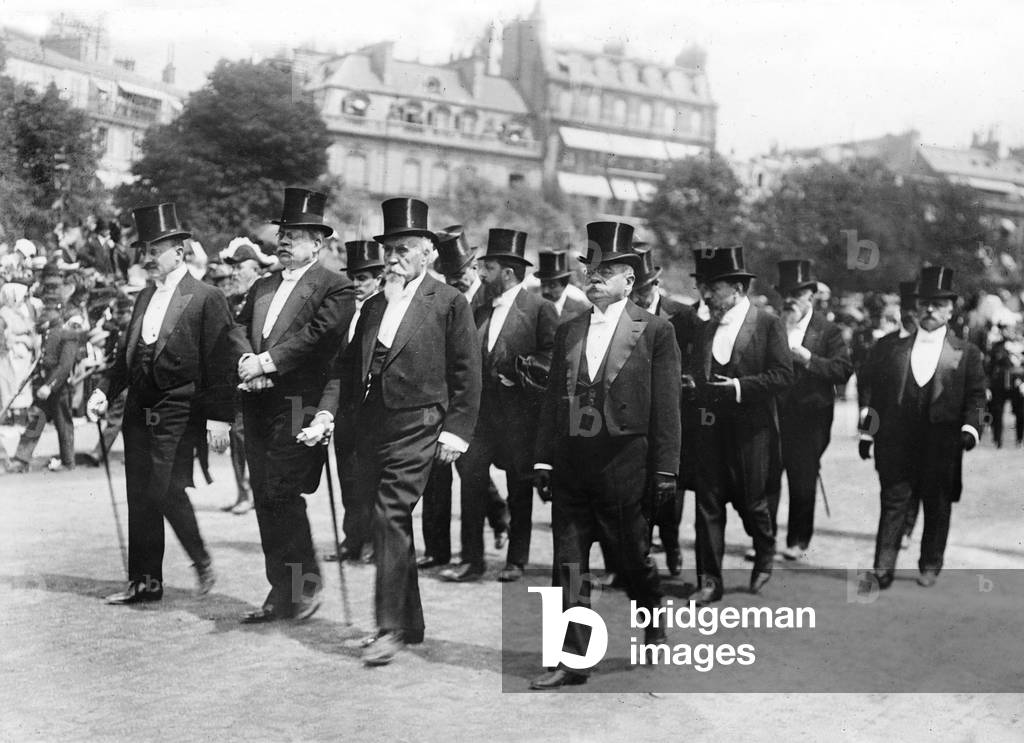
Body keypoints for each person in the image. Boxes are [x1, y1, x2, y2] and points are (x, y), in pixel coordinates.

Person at [315, 197, 480, 665]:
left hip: (420, 425)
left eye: (404, 248)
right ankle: (410, 622)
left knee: (390, 515)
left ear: (428, 251)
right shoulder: (370, 308)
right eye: (388, 249)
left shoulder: (448, 302)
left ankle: (388, 628)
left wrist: (456, 432)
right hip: (371, 427)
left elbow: (469, 373)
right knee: (384, 519)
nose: (393, 258)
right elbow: (343, 371)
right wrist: (326, 414)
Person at [529, 221, 681, 690]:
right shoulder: (569, 329)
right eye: (590, 269)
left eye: (606, 271)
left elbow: (667, 406)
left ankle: (652, 609)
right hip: (574, 462)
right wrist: (543, 459)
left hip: (625, 463)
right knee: (568, 563)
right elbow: (554, 396)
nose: (593, 278)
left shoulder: (655, 331)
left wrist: (665, 470)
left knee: (630, 559)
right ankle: (574, 658)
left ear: (629, 281)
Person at [86, 202, 248, 605]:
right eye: (143, 250)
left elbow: (221, 363)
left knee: (164, 490)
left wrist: (219, 419)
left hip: (180, 409)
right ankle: (144, 582)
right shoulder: (143, 296)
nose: (146, 258)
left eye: (154, 249)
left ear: (179, 251)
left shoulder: (206, 297)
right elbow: (127, 353)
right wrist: (105, 390)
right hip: (139, 408)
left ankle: (200, 559)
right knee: (140, 493)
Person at [234, 188, 354, 624]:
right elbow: (238, 329)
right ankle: (280, 588)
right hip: (258, 402)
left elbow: (319, 337)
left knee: (283, 492)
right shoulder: (264, 284)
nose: (284, 240)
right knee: (266, 496)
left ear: (317, 244)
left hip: (300, 403)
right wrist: (247, 360)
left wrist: (268, 361)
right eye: (283, 232)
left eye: (296, 234)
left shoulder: (335, 287)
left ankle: (303, 585)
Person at [439, 228, 556, 583]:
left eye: (487, 269)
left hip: (519, 418)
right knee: (471, 482)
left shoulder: (540, 309)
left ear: (507, 273)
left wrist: (520, 372)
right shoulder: (478, 306)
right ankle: (471, 560)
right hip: (480, 418)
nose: (481, 275)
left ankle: (516, 560)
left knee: (520, 489)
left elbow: (552, 357)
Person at [858, 266, 986, 589]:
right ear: (916, 307)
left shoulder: (966, 353)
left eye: (939, 304)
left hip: (942, 443)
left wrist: (970, 429)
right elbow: (878, 397)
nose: (930, 309)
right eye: (925, 303)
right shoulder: (893, 349)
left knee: (936, 503)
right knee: (893, 502)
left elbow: (976, 398)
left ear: (950, 309)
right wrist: (867, 431)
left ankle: (930, 563)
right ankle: (882, 567)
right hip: (898, 441)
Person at [687, 246, 793, 605]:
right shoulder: (705, 329)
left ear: (736, 288)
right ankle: (709, 581)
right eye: (704, 288)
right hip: (709, 434)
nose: (706, 295)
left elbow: (782, 376)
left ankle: (765, 549)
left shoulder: (767, 323)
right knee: (708, 506)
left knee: (752, 504)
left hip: (752, 434)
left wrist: (738, 388)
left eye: (713, 289)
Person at [417, 226, 508, 570]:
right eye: (452, 276)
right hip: (443, 399)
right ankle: (437, 550)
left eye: (464, 272)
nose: (460, 280)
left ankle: (495, 524)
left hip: (480, 406)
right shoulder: (441, 300)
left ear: (474, 268)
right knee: (436, 476)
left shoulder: (489, 301)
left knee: (473, 477)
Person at [764, 260, 852, 560]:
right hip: (773, 416)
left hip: (809, 420)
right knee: (768, 481)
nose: (790, 300)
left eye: (797, 294)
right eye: (785, 293)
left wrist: (809, 359)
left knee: (802, 482)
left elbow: (843, 370)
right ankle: (764, 541)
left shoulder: (827, 332)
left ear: (810, 296)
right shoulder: (772, 325)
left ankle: (798, 542)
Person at [324, 238, 385, 564]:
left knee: (371, 478)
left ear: (378, 278)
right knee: (348, 477)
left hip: (372, 412)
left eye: (363, 279)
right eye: (353, 278)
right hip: (345, 410)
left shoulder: (383, 311)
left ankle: (374, 541)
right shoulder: (345, 311)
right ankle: (352, 539)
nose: (357, 285)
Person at [218, 238, 276, 515]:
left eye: (241, 267)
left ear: (256, 270)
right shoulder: (229, 301)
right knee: (237, 436)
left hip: (264, 380)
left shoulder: (268, 298)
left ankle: (257, 492)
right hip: (235, 381)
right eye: (233, 267)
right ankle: (244, 492)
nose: (235, 272)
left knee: (254, 438)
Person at [7, 311, 79, 472]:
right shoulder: (48, 335)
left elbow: (64, 366)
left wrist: (50, 385)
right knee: (35, 420)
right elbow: (42, 361)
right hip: (43, 388)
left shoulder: (68, 335)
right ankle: (21, 459)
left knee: (63, 424)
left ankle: (68, 462)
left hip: (59, 389)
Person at [630, 245, 685, 317]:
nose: (634, 299)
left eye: (641, 291)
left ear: (656, 284)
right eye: (630, 293)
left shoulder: (684, 314)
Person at [535, 250, 590, 320]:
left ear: (564, 285)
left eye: (552, 286)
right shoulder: (534, 309)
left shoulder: (581, 308)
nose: (545, 291)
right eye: (543, 285)